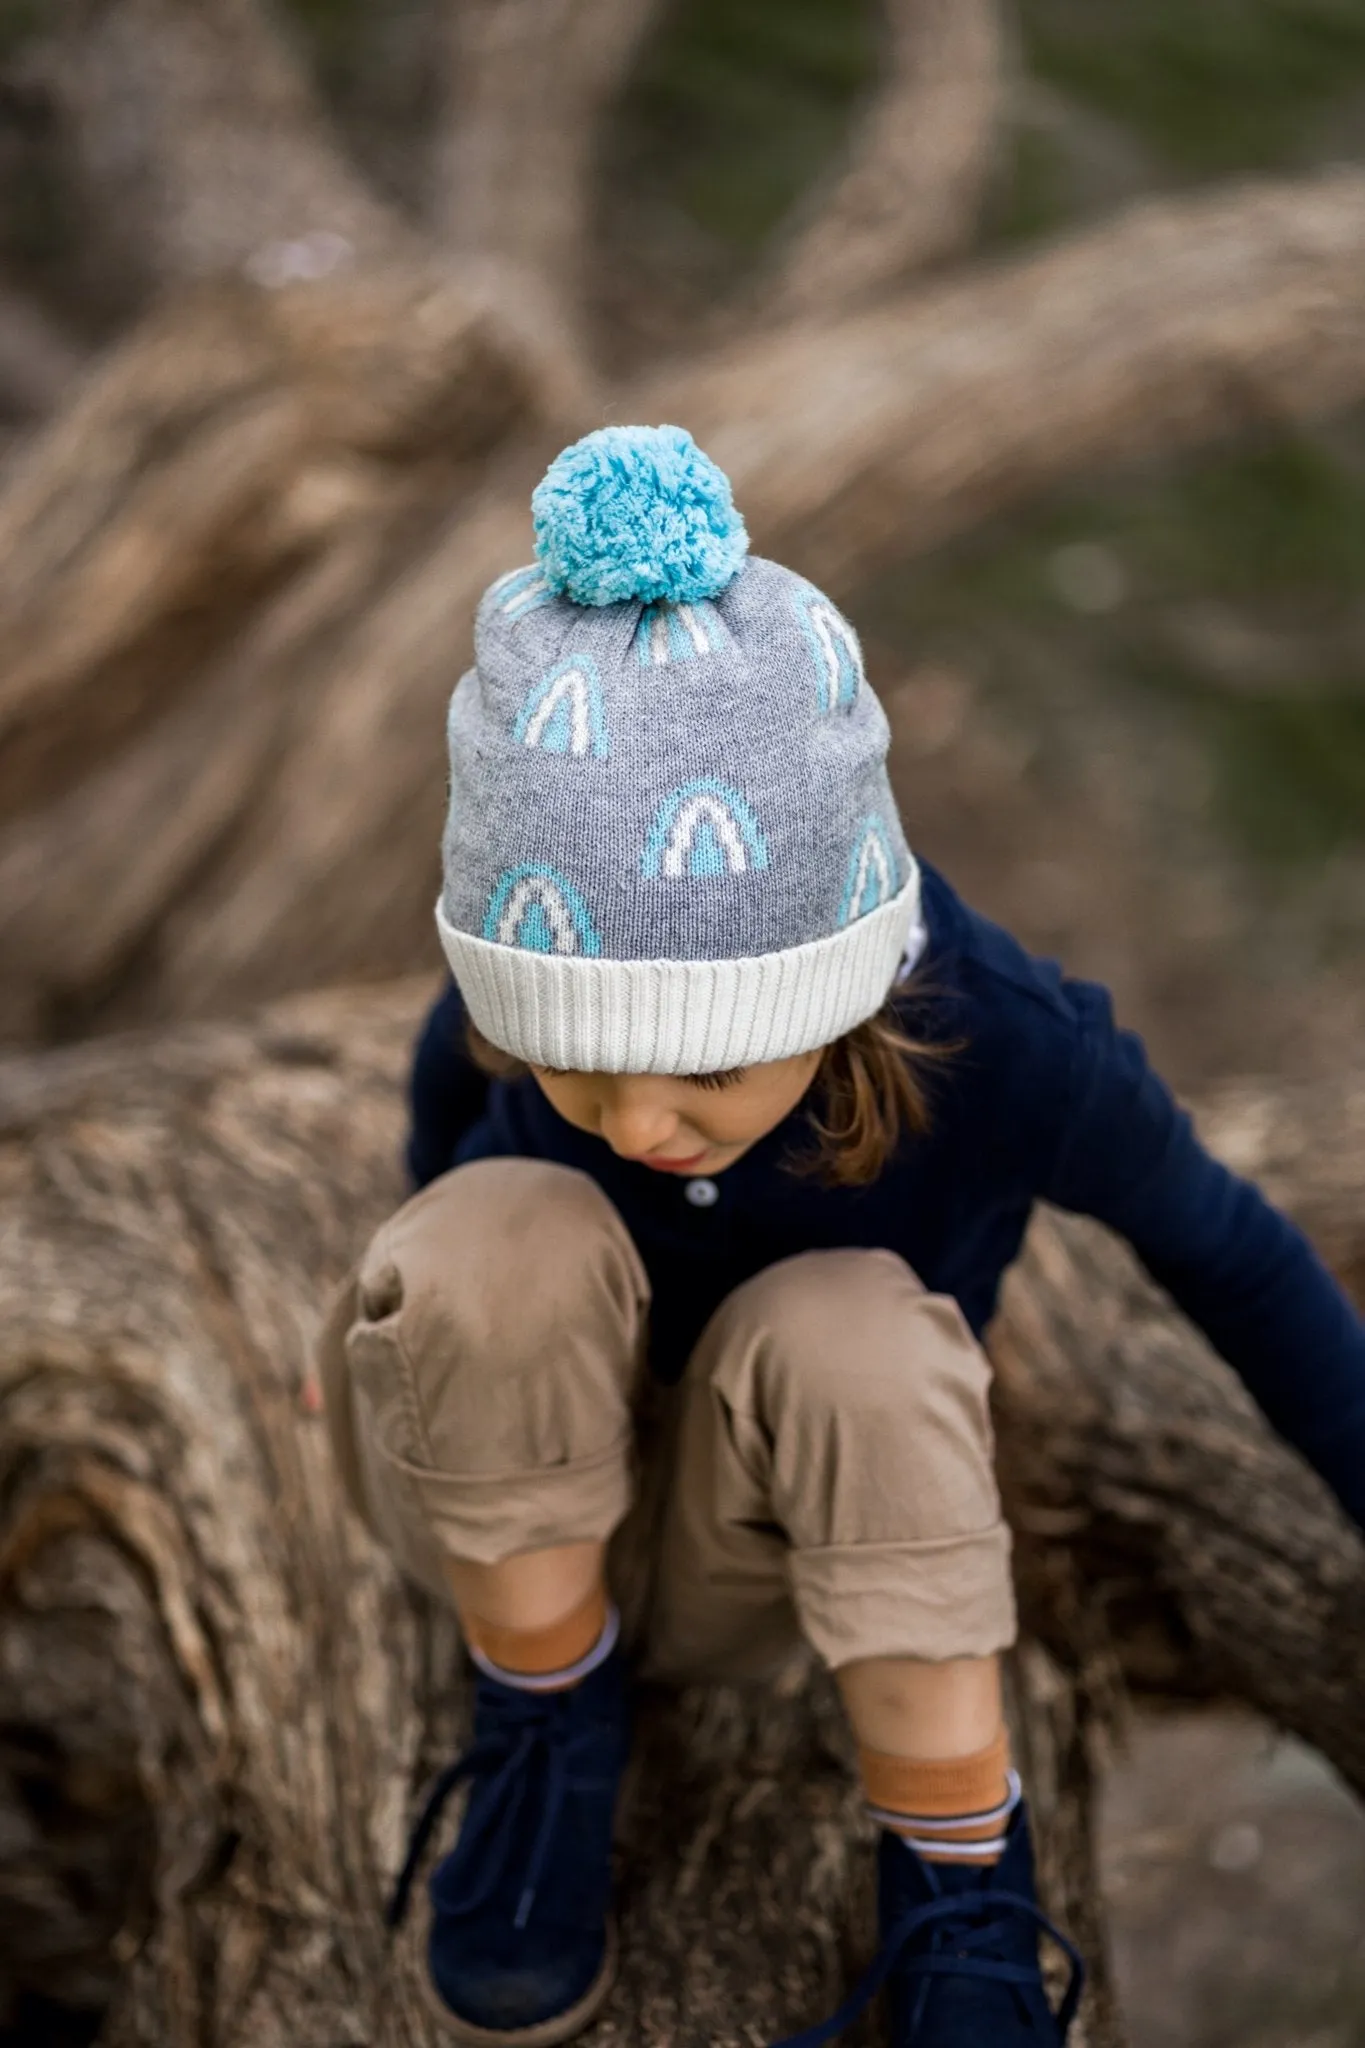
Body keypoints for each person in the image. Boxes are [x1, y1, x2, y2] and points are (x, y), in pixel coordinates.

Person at [318, 424, 1365, 2048]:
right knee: (497, 1228)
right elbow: (442, 1127)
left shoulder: (1010, 1042)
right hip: (507, 1512)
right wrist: (419, 1337)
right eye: (578, 1066)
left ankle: (956, 1873)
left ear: (836, 987)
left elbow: (1229, 1255)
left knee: (851, 1324)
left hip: (787, 1546)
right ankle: (545, 1728)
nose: (643, 1127)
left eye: (708, 1072)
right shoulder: (508, 1022)